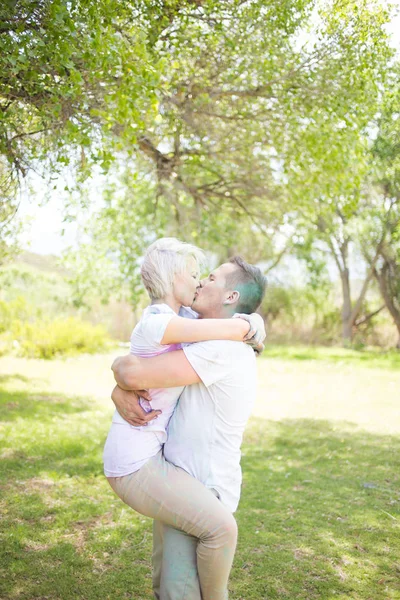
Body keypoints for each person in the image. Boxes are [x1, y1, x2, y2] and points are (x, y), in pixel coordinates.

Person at [104, 238, 266, 600]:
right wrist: (118, 389)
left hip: (200, 481)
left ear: (229, 298)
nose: (200, 282)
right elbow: (134, 361)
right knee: (169, 586)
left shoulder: (222, 348)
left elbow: (132, 371)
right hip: (171, 471)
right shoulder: (192, 327)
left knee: (179, 588)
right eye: (197, 275)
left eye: (209, 278)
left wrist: (247, 326)